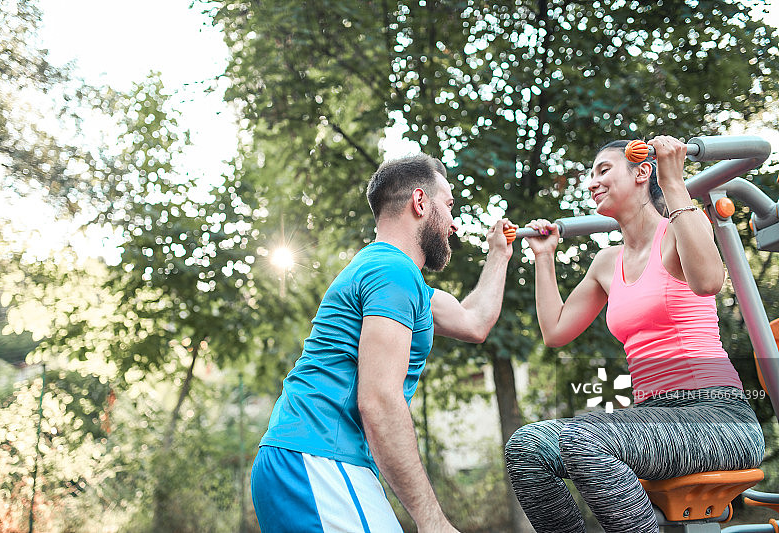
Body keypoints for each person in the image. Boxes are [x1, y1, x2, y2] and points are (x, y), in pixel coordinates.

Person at [505, 136, 765, 533]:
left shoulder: (682, 225)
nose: (591, 183)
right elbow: (556, 331)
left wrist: (674, 181)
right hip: (653, 419)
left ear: (643, 171)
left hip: (719, 418)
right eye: (590, 176)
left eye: (603, 171)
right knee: (527, 448)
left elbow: (711, 281)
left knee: (583, 438)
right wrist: (544, 259)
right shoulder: (606, 262)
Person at [251, 154, 515, 533]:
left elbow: (474, 322)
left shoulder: (395, 278)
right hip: (319, 454)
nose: (454, 224)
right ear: (420, 202)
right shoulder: (392, 273)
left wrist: (499, 254)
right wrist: (432, 521)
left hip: (304, 457)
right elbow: (379, 400)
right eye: (449, 205)